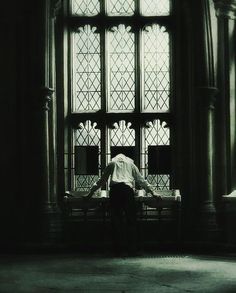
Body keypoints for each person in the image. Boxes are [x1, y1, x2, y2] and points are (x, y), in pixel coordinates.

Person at [85, 153, 161, 256]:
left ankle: (118, 250)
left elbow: (102, 181)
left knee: (116, 221)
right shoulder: (131, 164)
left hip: (115, 192)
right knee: (131, 220)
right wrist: (153, 192)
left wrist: (90, 193)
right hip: (127, 191)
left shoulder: (112, 164)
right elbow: (141, 180)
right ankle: (132, 250)